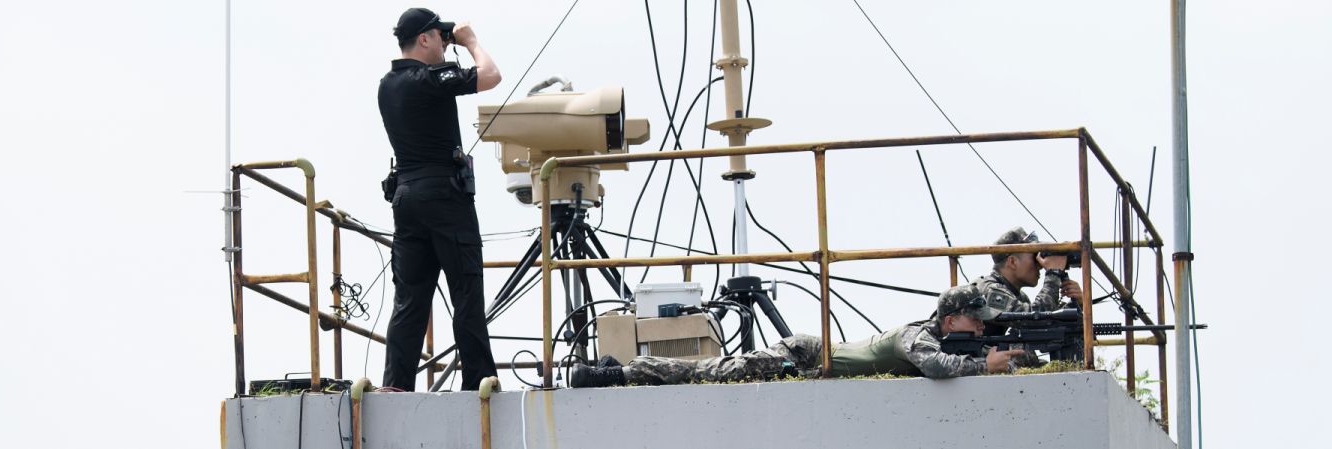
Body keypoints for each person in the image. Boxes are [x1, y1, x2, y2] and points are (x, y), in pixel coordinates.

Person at [378, 7, 502, 392]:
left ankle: (396, 385)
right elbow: (491, 75)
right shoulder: (427, 79)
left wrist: (451, 45)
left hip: (406, 199)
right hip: (444, 198)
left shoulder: (387, 84)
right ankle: (478, 380)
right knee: (465, 289)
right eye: (439, 37)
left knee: (410, 300)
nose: (445, 45)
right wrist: (470, 41)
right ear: (425, 39)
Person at [569, 284, 1028, 388]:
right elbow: (934, 366)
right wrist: (982, 365)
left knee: (717, 371)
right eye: (975, 321)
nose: (981, 329)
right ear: (950, 321)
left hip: (813, 357)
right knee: (715, 371)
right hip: (805, 356)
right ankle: (622, 373)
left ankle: (621, 371)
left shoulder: (938, 335)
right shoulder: (918, 337)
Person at [973, 226, 1083, 336]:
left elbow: (1044, 328)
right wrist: (1053, 273)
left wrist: (1076, 304)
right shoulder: (989, 290)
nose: (1040, 264)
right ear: (1012, 262)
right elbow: (1035, 320)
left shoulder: (1019, 296)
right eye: (1035, 256)